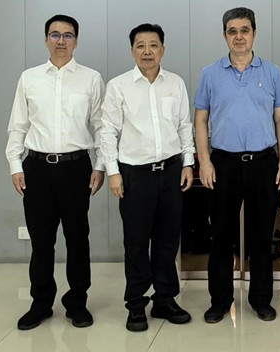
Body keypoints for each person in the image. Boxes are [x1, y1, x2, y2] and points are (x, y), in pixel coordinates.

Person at [5, 14, 104, 330]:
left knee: (77, 238)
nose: (61, 40)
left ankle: (77, 303)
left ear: (76, 40)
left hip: (76, 168)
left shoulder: (91, 79)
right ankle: (41, 303)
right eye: (55, 34)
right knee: (41, 240)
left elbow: (101, 126)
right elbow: (18, 125)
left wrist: (100, 165)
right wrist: (15, 165)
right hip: (36, 168)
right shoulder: (30, 78)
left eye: (68, 35)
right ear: (45, 39)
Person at [194, 7, 280, 323]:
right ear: (225, 35)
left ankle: (261, 300)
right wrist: (204, 161)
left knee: (262, 236)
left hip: (263, 163)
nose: (239, 37)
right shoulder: (210, 73)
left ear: (254, 34)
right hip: (223, 163)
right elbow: (201, 119)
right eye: (232, 31)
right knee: (221, 234)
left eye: (244, 30)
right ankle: (220, 301)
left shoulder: (272, 72)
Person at [101, 23, 195, 332]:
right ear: (132, 51)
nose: (147, 51)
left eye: (153, 45)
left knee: (168, 242)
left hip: (171, 172)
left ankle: (165, 300)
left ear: (162, 49)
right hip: (134, 175)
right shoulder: (119, 86)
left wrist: (188, 163)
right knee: (137, 243)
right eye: (140, 45)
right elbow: (108, 131)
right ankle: (136, 304)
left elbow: (184, 125)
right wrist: (113, 172)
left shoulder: (175, 83)